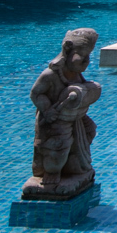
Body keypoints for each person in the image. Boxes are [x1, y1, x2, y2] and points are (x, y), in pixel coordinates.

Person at [26, 28, 102, 198]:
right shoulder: (50, 75)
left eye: (88, 56)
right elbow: (35, 93)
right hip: (55, 120)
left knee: (90, 129)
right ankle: (51, 172)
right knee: (58, 146)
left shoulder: (75, 74)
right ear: (68, 51)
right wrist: (46, 109)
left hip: (74, 118)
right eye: (82, 56)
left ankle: (76, 168)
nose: (86, 61)